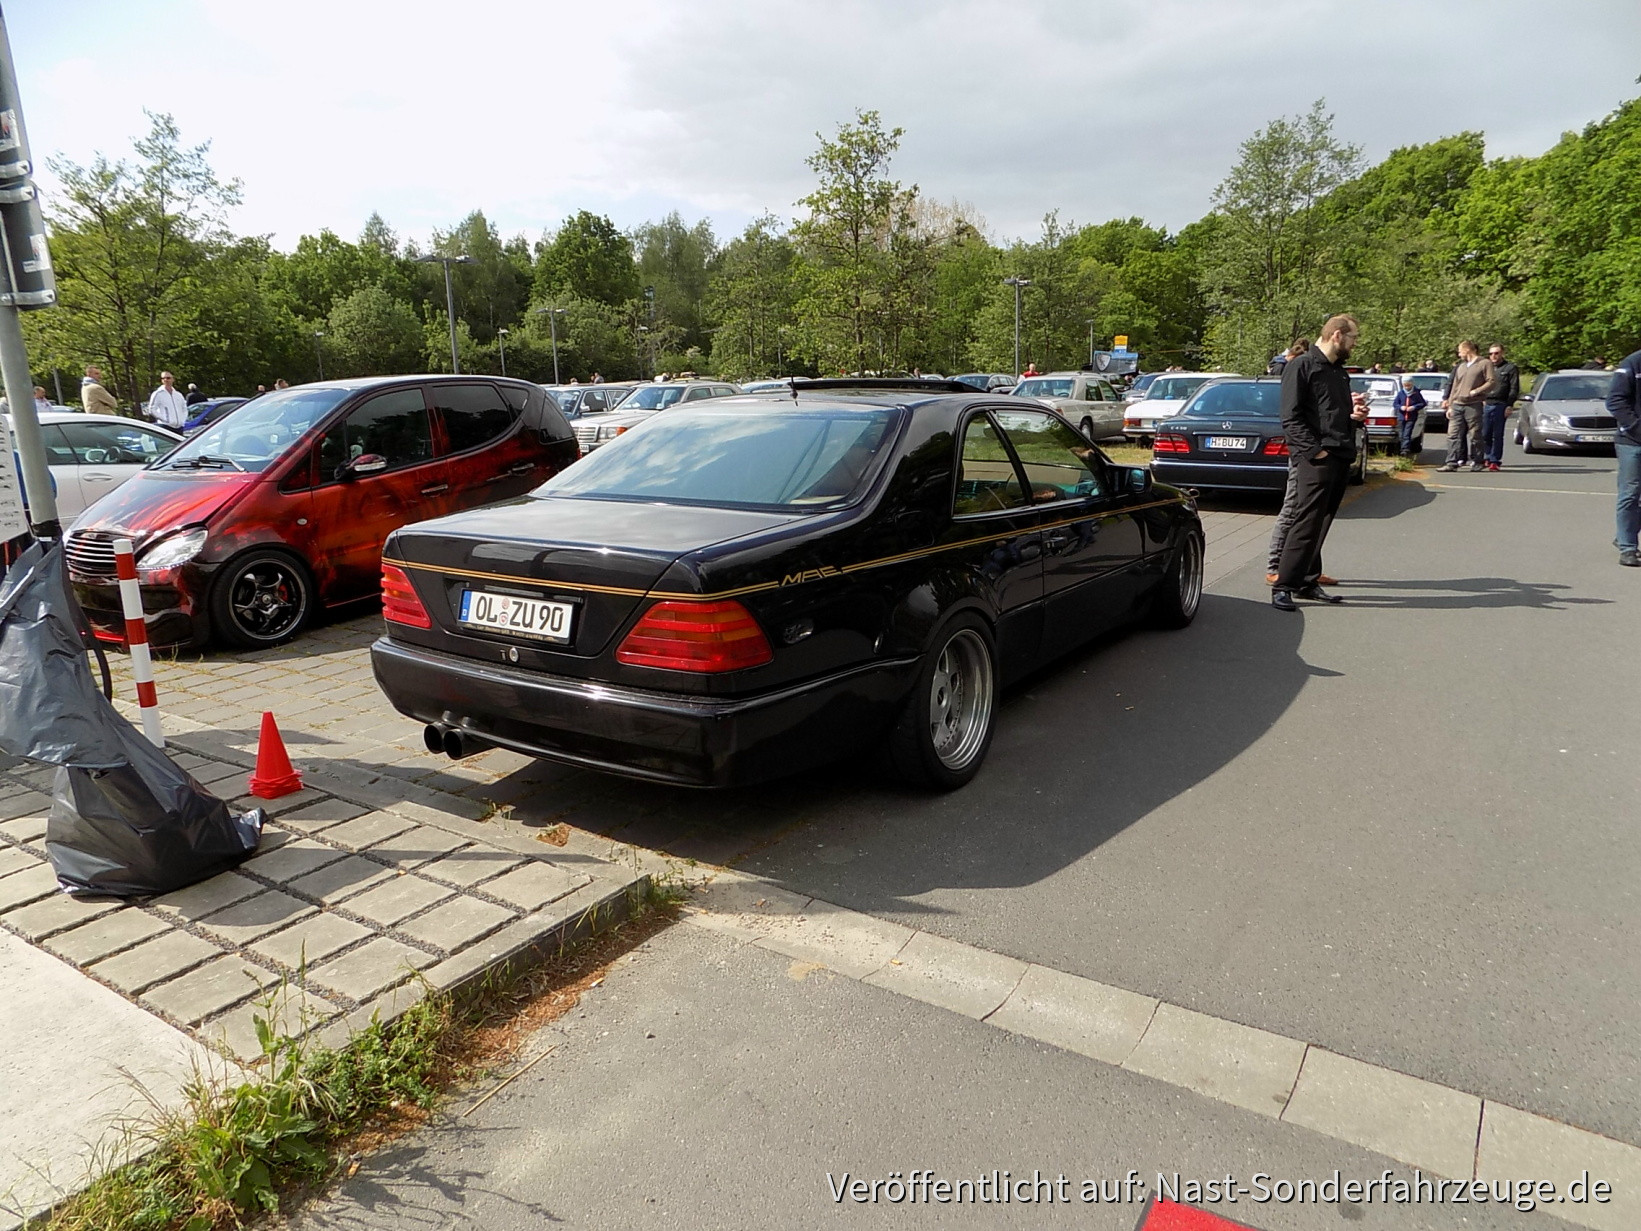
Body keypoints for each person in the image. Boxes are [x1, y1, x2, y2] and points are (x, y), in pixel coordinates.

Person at [1271, 314, 1366, 612]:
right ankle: (1283, 585)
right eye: (1353, 338)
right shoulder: (1301, 365)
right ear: (1337, 335)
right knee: (1306, 521)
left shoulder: (1338, 371)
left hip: (1340, 453)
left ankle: (1307, 581)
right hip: (1315, 458)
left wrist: (1355, 417)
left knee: (1322, 521)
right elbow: (1291, 417)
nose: (1354, 344)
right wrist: (1315, 452)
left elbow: (1332, 414)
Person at [1265, 341, 1338, 586]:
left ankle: (1308, 569)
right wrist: (1315, 452)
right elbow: (1291, 417)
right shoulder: (1299, 370)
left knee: (1312, 516)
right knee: (1293, 510)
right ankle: (1275, 567)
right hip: (1304, 454)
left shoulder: (1326, 372)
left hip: (1318, 450)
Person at [1607, 346, 1641, 567]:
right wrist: (1637, 428)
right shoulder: (1632, 363)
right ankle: (1628, 548)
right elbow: (1615, 402)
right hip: (1632, 441)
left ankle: (1623, 534)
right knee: (1630, 492)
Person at [1438, 341, 1495, 472]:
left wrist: (1477, 391)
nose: (1459, 354)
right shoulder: (1461, 366)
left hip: (1473, 404)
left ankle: (1477, 460)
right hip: (1458, 404)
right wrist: (1450, 405)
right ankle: (1451, 462)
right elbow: (1455, 386)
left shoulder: (1484, 363)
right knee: (1453, 434)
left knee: (1475, 433)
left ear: (1467, 350)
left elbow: (1491, 381)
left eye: (1460, 351)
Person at [1481, 344, 1520, 471]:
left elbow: (1514, 388)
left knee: (1497, 434)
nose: (1493, 356)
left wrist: (1509, 405)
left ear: (1502, 353)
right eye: (1491, 353)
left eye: (1496, 353)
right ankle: (1486, 456)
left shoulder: (1510, 368)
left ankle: (1494, 460)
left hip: (1501, 404)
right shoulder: (1486, 367)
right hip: (1486, 403)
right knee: (1485, 433)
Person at [1393, 375, 1427, 457]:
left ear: (1412, 384)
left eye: (1408, 385)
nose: (1407, 387)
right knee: (1401, 434)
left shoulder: (1416, 393)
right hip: (1401, 416)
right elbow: (1395, 404)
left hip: (1411, 417)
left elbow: (1423, 403)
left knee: (1407, 434)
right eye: (1405, 385)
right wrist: (1401, 407)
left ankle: (1405, 450)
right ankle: (1401, 448)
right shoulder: (1401, 393)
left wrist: (1414, 407)